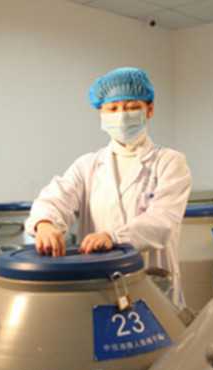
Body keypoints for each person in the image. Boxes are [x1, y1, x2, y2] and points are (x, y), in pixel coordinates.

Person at [25, 67, 192, 307]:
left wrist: (113, 237)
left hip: (153, 280)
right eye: (112, 109)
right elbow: (57, 197)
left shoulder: (169, 162)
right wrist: (45, 224)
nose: (121, 116)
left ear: (150, 109)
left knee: (159, 328)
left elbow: (163, 222)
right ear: (101, 113)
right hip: (99, 284)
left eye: (132, 107)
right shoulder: (88, 165)